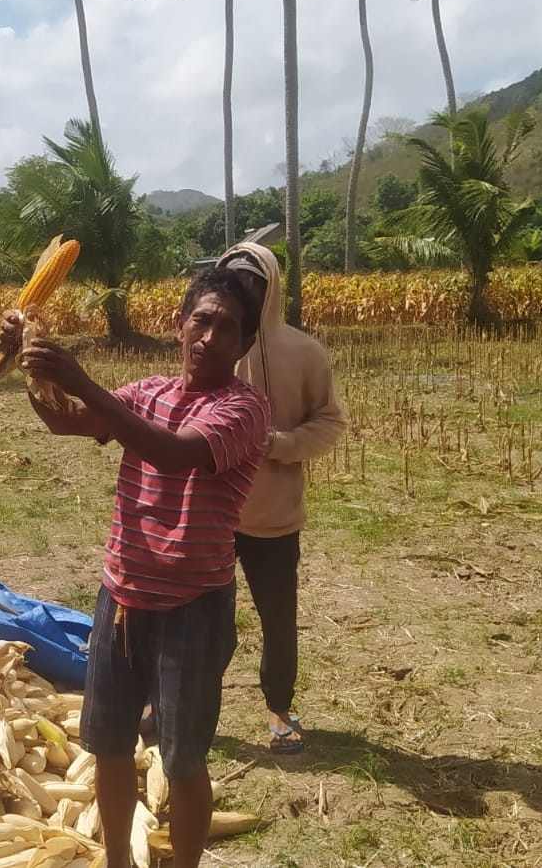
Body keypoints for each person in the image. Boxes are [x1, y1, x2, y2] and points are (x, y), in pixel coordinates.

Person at [1, 266, 270, 868]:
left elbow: (172, 454)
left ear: (244, 345)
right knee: (111, 747)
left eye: (226, 329)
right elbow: (65, 419)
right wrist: (29, 364)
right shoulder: (147, 392)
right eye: (200, 320)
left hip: (193, 607)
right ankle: (119, 859)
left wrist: (82, 378)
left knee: (182, 758)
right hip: (121, 597)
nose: (208, 337)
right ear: (179, 325)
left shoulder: (244, 409)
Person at [216, 242, 347, 754]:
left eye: (253, 282)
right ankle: (175, 699)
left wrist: (282, 444)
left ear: (270, 290)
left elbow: (330, 420)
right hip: (214, 513)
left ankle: (278, 708)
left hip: (274, 516)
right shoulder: (210, 344)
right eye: (232, 280)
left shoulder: (304, 352)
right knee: (204, 615)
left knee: (277, 617)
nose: (242, 291)